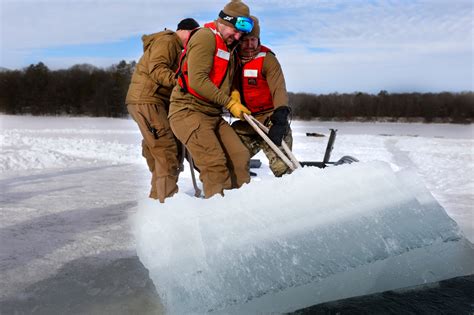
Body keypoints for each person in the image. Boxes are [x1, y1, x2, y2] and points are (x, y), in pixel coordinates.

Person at [169, 0, 254, 198]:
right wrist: (229, 103)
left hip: (211, 114)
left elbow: (225, 79)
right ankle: (220, 219)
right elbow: (198, 81)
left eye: (241, 33)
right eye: (235, 30)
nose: (238, 36)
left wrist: (234, 93)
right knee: (214, 164)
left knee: (239, 157)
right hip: (188, 110)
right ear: (223, 21)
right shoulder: (206, 37)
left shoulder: (229, 47)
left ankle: (243, 212)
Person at [126, 18, 200, 203]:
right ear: (185, 31)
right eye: (193, 35)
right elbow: (158, 69)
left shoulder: (175, 46)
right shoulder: (168, 41)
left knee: (162, 147)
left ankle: (157, 196)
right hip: (148, 100)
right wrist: (183, 82)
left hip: (154, 101)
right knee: (166, 150)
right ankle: (164, 204)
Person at [232, 16, 293, 177]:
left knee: (283, 167)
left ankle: (291, 195)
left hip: (270, 121)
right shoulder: (232, 59)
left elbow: (279, 89)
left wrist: (280, 115)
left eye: (254, 40)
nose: (250, 45)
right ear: (238, 40)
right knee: (227, 160)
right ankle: (232, 193)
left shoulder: (268, 60)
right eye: (245, 40)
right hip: (247, 122)